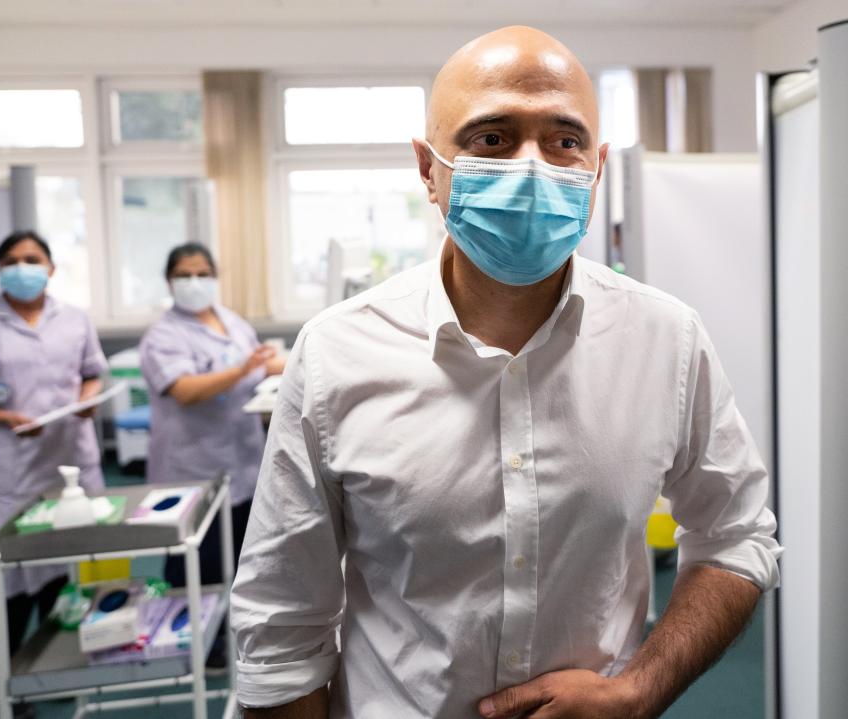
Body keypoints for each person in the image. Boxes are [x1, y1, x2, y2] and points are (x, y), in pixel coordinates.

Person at [229, 26, 782, 719]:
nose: (533, 167)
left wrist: (641, 688)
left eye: (564, 140)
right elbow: (280, 625)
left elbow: (738, 534)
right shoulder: (337, 353)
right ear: (428, 171)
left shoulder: (666, 340)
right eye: (492, 138)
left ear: (596, 168)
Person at [0, 230, 106, 718]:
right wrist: (5, 419)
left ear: (51, 268)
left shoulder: (74, 319)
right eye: (11, 260)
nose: (22, 267)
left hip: (67, 458)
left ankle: (45, 667)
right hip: (3, 470)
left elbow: (92, 371)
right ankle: (6, 682)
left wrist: (84, 401)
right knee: (10, 579)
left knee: (58, 568)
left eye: (32, 259)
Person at [139, 243, 283, 606]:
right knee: (195, 565)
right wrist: (242, 370)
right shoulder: (163, 335)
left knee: (240, 557)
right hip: (193, 466)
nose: (194, 281)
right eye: (184, 275)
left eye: (202, 274)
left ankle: (226, 636)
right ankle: (194, 644)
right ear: (169, 281)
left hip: (242, 460)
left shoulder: (230, 320)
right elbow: (185, 390)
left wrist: (306, 360)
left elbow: (259, 365)